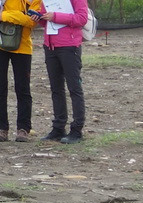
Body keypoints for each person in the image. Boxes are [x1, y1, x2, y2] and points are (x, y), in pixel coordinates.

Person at [0, 0, 42, 142]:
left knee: (23, 88)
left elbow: (31, 21)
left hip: (23, 46)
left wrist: (5, 15)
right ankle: (1, 128)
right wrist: (19, 16)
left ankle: (23, 129)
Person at [40, 0, 87, 143]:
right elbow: (45, 21)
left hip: (69, 46)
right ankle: (59, 127)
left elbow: (82, 18)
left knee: (74, 88)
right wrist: (40, 17)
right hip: (50, 46)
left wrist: (56, 16)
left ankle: (77, 129)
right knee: (56, 89)